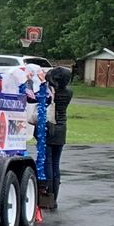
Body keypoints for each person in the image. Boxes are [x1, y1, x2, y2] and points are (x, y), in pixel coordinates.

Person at [43, 64, 73, 208]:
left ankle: (48, 195)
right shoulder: (68, 93)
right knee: (56, 163)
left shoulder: (50, 92)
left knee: (47, 162)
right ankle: (55, 197)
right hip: (62, 128)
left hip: (51, 127)